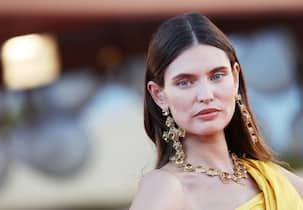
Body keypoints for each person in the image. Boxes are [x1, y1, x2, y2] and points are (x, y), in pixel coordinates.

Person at [129, 12, 303, 210]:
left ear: (235, 78)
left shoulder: (272, 177)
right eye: (185, 82)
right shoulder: (167, 186)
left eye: (217, 76)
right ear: (159, 95)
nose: (206, 95)